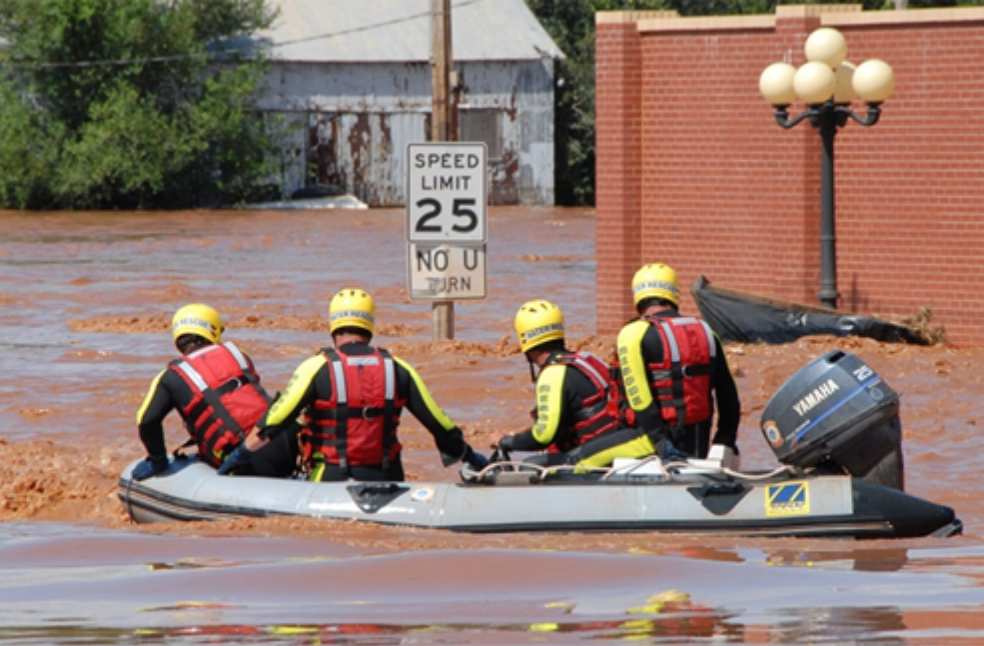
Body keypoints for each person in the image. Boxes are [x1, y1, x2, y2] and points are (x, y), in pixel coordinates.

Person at [258, 287, 488, 482]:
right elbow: (440, 424)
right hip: (388, 479)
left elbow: (274, 421)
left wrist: (236, 458)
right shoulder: (399, 368)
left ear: (333, 327)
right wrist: (469, 456)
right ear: (369, 326)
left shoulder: (314, 367)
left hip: (329, 479)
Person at [133, 304, 298, 480]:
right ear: (212, 331)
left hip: (244, 460)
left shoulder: (170, 377)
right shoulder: (238, 356)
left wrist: (158, 460)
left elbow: (146, 420)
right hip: (284, 443)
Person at [495, 299, 647, 471]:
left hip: (594, 455)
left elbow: (543, 436)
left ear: (525, 340)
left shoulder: (552, 374)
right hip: (618, 443)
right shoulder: (588, 358)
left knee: (530, 467)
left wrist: (509, 442)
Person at [616, 263, 741, 459]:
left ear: (638, 296)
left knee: (581, 458)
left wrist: (660, 442)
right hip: (698, 441)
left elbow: (638, 397)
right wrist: (725, 439)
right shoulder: (706, 330)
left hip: (652, 445)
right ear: (674, 294)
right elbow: (728, 396)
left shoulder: (632, 333)